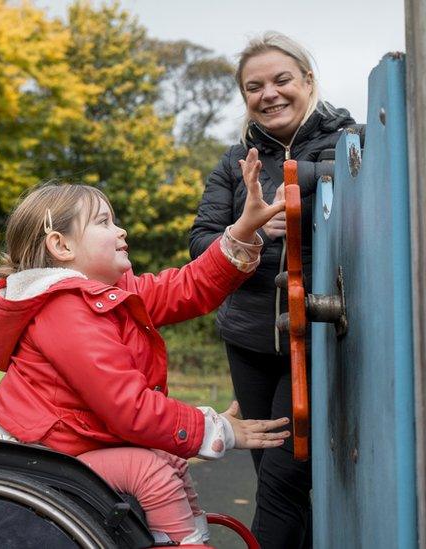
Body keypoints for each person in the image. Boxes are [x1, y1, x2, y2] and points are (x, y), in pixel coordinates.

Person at [0, 172, 289, 544]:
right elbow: (129, 407)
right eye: (104, 222)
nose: (121, 231)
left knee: (170, 459)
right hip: (38, 458)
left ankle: (187, 539)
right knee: (150, 469)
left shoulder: (110, 294)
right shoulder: (64, 310)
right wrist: (217, 429)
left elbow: (186, 287)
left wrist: (242, 231)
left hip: (69, 446)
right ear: (60, 246)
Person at [189, 31, 357, 548]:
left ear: (307, 80)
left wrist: (295, 182)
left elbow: (354, 179)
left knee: (285, 479)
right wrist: (254, 230)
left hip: (318, 330)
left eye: (282, 80)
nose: (270, 94)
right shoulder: (234, 161)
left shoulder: (348, 139)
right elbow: (202, 245)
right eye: (254, 87)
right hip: (250, 338)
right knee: (274, 479)